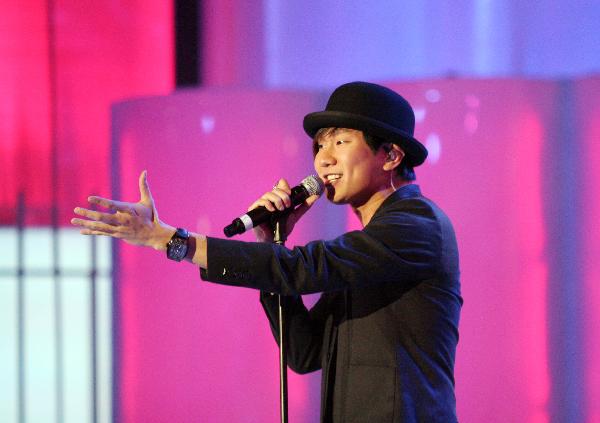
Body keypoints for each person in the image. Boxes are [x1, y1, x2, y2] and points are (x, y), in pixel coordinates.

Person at [71, 81, 462, 422]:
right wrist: (270, 243)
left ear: (391, 156)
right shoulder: (369, 248)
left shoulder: (416, 226)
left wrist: (170, 240)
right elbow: (304, 350)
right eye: (320, 145)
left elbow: (305, 268)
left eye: (341, 142)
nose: (323, 158)